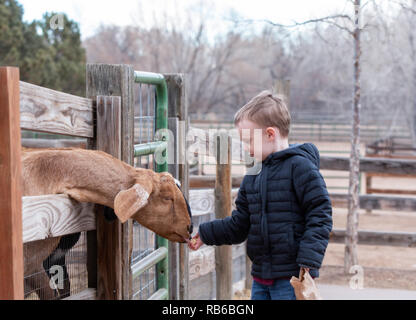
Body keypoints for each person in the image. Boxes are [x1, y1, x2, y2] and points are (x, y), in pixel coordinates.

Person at [188, 90, 333, 300]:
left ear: (270, 134)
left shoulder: (301, 168)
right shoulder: (253, 177)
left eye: (249, 141)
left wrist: (308, 260)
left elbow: (320, 215)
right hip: (260, 278)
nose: (246, 148)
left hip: (291, 278)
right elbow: (240, 225)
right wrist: (206, 233)